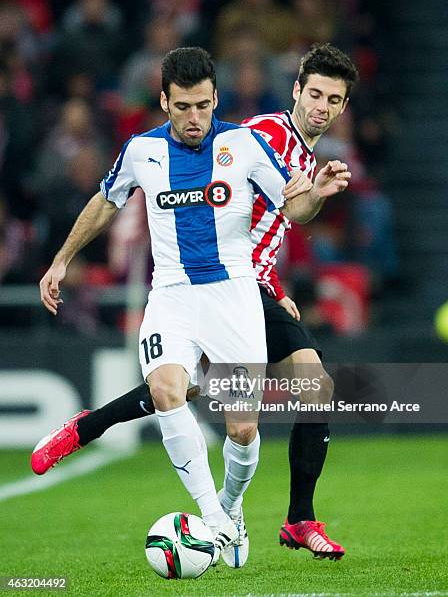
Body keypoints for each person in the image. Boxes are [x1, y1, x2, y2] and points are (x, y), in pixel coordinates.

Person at [32, 44, 354, 564]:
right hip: (174, 294)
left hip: (238, 293)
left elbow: (291, 210)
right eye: (183, 107)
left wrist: (313, 196)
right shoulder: (150, 150)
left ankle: (224, 500)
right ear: (163, 102)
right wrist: (61, 259)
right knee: (169, 389)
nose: (194, 118)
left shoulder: (245, 144)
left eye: (203, 106)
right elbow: (106, 199)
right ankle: (221, 520)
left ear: (215, 100)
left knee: (241, 424)